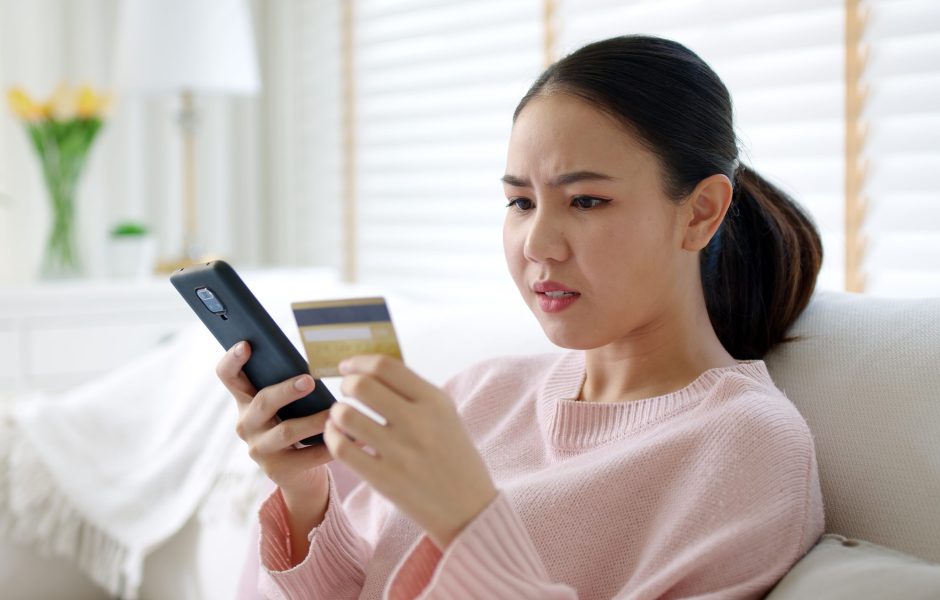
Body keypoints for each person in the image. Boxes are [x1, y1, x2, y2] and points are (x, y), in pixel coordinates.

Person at [217, 35, 825, 599]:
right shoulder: (482, 392)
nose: (538, 244)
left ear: (700, 213)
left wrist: (468, 519)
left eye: (586, 200)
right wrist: (306, 497)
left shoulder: (747, 444)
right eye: (521, 202)